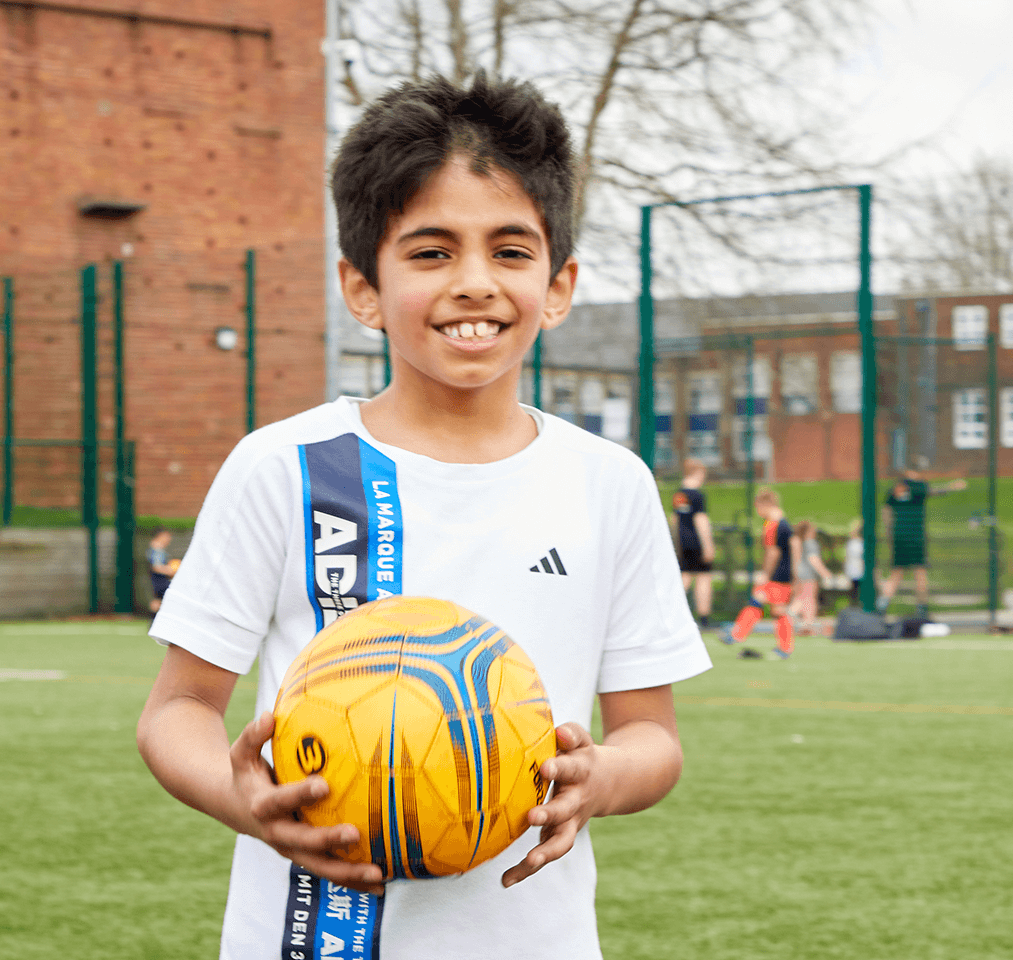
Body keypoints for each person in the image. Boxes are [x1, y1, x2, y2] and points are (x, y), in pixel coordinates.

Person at [135, 73, 712, 960]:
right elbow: (176, 710)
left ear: (558, 286)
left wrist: (600, 778)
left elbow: (652, 737)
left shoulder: (609, 482)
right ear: (362, 287)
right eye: (433, 252)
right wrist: (238, 796)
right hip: (307, 941)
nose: (475, 284)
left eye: (511, 253)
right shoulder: (287, 466)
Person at [720, 488, 798, 658]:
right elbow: (794, 546)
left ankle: (784, 648)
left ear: (765, 504)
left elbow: (773, 552)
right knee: (758, 600)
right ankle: (737, 635)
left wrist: (766, 573)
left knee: (778, 610)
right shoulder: (784, 522)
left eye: (758, 507)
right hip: (784, 572)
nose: (757, 511)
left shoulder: (772, 524)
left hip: (776, 574)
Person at [877, 467, 967, 616]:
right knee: (920, 572)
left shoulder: (895, 488)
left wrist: (890, 534)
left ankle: (882, 605)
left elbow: (886, 512)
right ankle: (921, 608)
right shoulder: (919, 487)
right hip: (915, 535)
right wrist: (952, 486)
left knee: (897, 572)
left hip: (899, 535)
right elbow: (934, 491)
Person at [673, 458, 716, 630]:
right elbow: (701, 521)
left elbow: (675, 520)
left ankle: (673, 614)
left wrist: (677, 544)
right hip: (697, 542)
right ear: (698, 473)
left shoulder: (679, 495)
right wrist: (708, 545)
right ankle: (704, 619)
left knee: (685, 577)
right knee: (703, 578)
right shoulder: (697, 495)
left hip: (683, 543)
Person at [787, 520, 831, 636]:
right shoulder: (811, 543)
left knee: (802, 598)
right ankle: (805, 623)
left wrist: (795, 574)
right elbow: (814, 559)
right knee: (809, 600)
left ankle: (800, 622)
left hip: (800, 574)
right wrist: (825, 573)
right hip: (809, 576)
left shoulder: (798, 542)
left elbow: (795, 561)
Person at [146, 527, 174, 614]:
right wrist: (171, 570)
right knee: (159, 601)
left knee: (157, 601)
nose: (169, 539)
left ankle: (153, 622)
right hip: (159, 580)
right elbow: (157, 567)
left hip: (157, 580)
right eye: (166, 536)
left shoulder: (154, 548)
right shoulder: (157, 550)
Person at [844, 517, 864, 604]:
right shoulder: (857, 543)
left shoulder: (852, 543)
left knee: (855, 592)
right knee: (856, 592)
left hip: (855, 571)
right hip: (857, 571)